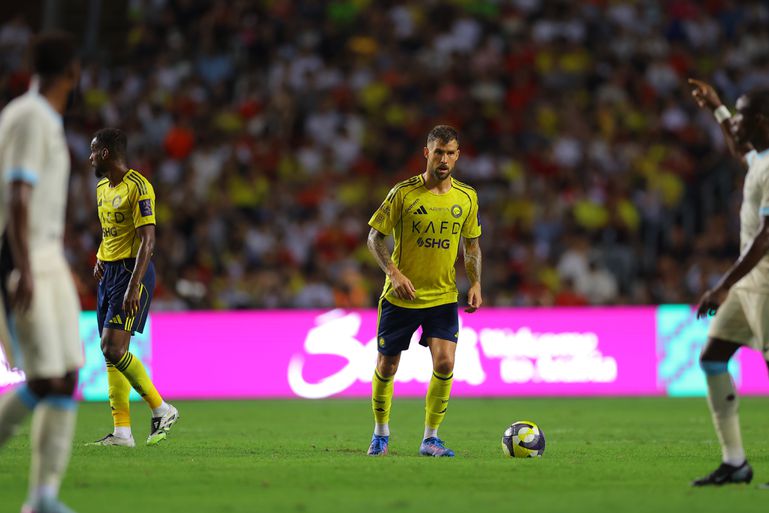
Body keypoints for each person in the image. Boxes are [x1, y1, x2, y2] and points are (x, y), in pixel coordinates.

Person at [0, 32, 82, 513]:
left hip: (47, 256)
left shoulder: (40, 117)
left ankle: (44, 498)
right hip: (24, 257)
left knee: (64, 376)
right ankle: (42, 498)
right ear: (72, 72)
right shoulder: (31, 117)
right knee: (45, 378)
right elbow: (18, 195)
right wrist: (26, 267)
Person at [365, 125, 482, 457]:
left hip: (443, 296)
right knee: (387, 366)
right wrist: (394, 273)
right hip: (401, 297)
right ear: (427, 153)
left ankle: (431, 438)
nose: (444, 159)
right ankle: (381, 433)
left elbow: (472, 246)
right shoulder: (403, 193)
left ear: (457, 156)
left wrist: (475, 282)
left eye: (450, 153)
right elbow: (374, 238)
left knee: (445, 364)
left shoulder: (467, 197)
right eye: (438, 152)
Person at [688, 78, 769, 487]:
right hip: (749, 284)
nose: (734, 122)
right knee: (713, 357)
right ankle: (735, 462)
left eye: (740, 115)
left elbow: (767, 236)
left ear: (761, 121)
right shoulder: (761, 160)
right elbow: (740, 150)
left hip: (766, 285)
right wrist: (716, 107)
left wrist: (722, 285)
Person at [86, 128, 178, 447]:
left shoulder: (139, 186)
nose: (90, 158)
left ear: (106, 153)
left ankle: (161, 408)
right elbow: (110, 231)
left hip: (131, 273)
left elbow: (148, 240)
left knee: (113, 348)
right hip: (109, 273)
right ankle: (122, 432)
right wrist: (100, 256)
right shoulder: (101, 188)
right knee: (110, 353)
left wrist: (134, 285)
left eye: (94, 151)